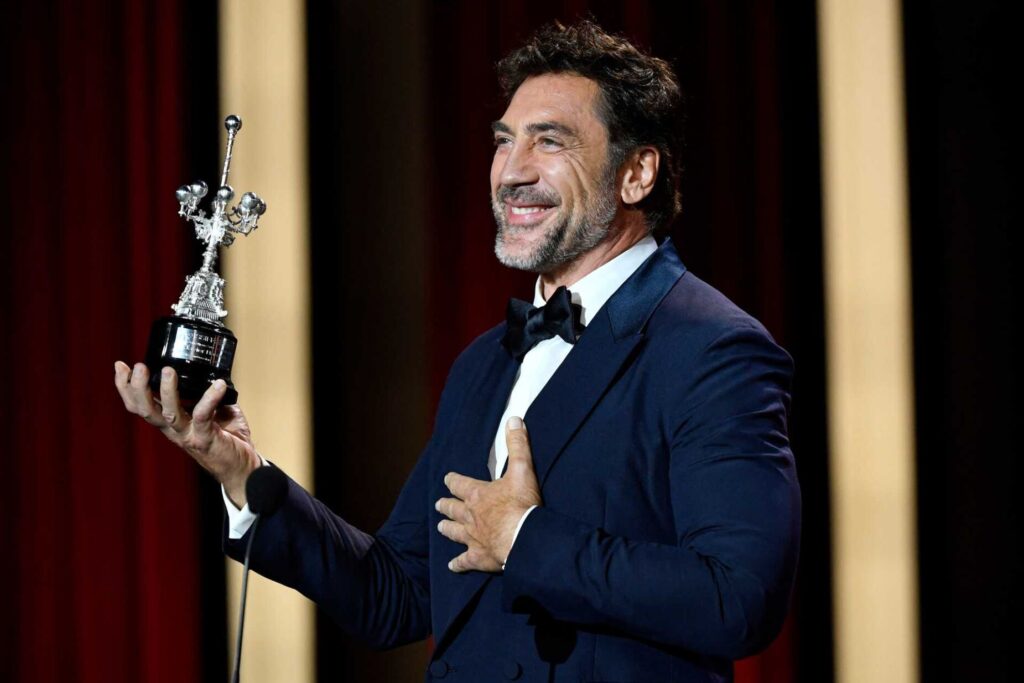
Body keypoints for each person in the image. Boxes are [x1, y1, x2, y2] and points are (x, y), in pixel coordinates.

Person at [115, 20, 800, 682]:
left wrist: (526, 539)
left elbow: (738, 598)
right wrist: (243, 473)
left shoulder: (714, 350)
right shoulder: (484, 362)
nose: (511, 172)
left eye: (549, 141)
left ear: (636, 173)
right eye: (504, 141)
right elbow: (395, 592)